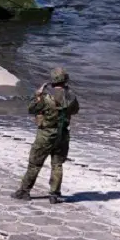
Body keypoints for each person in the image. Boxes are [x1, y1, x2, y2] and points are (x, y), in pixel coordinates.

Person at [12, 68, 81, 204]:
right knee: (57, 165)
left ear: (52, 81)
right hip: (62, 134)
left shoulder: (45, 97)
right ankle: (54, 194)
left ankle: (24, 191)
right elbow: (75, 110)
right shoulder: (71, 96)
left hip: (45, 134)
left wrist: (38, 94)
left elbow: (31, 109)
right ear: (65, 80)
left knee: (35, 164)